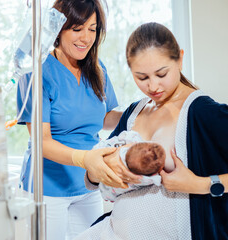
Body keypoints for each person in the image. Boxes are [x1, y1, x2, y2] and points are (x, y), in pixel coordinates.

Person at [76, 22, 228, 240]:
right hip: (112, 232)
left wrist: (199, 184)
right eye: (142, 77)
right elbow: (97, 171)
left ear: (180, 59)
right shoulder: (133, 113)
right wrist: (95, 167)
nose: (153, 86)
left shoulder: (203, 113)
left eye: (161, 73)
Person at [16, 0, 126, 239]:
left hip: (87, 184)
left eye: (92, 29)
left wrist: (138, 112)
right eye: (77, 28)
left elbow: (103, 117)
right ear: (59, 28)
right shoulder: (37, 69)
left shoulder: (97, 69)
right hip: (48, 187)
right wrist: (86, 158)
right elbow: (41, 141)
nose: (86, 38)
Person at [94, 130, 165, 201]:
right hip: (108, 186)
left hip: (101, 163)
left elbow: (129, 135)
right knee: (112, 190)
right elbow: (159, 180)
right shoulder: (144, 178)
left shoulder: (130, 145)